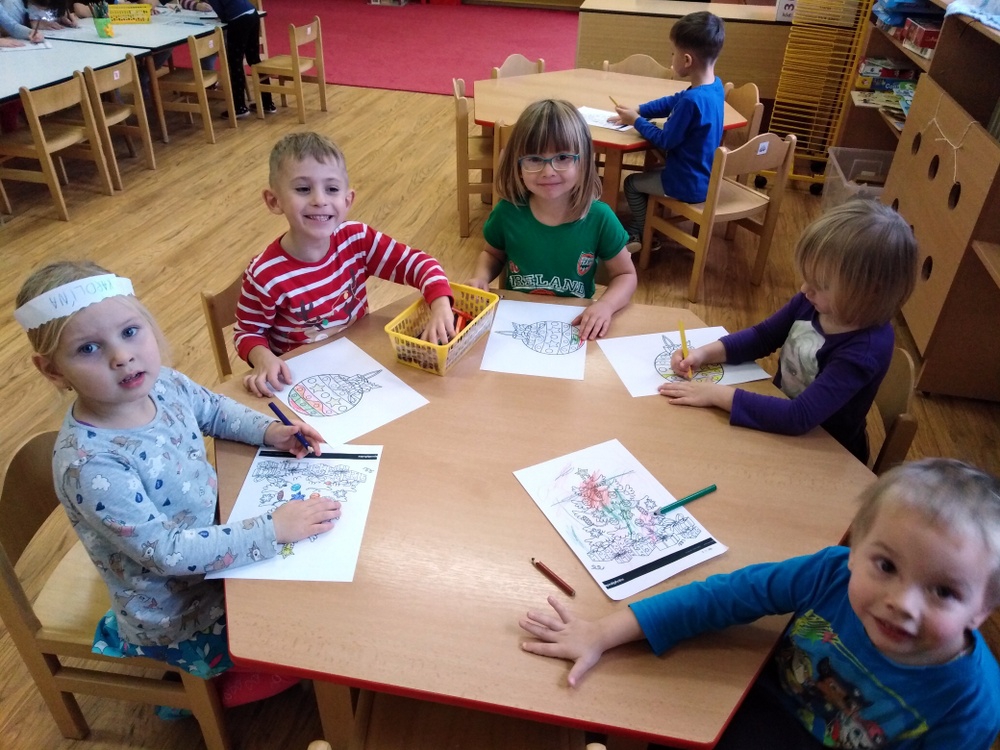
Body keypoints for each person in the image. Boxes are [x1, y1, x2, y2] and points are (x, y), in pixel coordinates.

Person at [16, 261, 343, 710]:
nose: (122, 357)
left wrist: (271, 432)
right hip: (180, 610)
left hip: (214, 546)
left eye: (130, 332)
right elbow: (167, 553)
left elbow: (214, 411)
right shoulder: (91, 466)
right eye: (89, 348)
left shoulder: (162, 385)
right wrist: (274, 529)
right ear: (52, 370)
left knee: (317, 604)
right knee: (305, 647)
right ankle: (190, 699)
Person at [520, 458, 1000, 749]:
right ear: (855, 550)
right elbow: (727, 595)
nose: (902, 603)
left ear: (982, 610)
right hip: (745, 712)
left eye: (944, 592)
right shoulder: (830, 573)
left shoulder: (973, 704)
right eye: (887, 566)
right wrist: (604, 631)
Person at [658, 199, 918, 464]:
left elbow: (799, 416)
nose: (805, 289)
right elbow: (762, 337)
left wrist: (716, 394)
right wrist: (703, 354)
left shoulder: (864, 350)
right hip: (782, 421)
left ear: (869, 292)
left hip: (826, 453)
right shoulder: (813, 302)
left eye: (820, 284)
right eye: (807, 278)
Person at [235, 131, 455, 397]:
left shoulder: (357, 239)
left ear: (347, 200)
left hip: (361, 360)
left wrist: (440, 304)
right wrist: (263, 358)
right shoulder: (263, 274)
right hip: (301, 384)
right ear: (274, 201)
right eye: (303, 189)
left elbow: (419, 264)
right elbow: (247, 332)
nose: (319, 200)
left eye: (332, 189)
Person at [467, 99, 637, 340]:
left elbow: (626, 276)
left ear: (583, 161)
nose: (548, 171)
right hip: (516, 324)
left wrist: (606, 305)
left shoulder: (600, 218)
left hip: (574, 327)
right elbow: (492, 254)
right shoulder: (507, 212)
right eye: (534, 159)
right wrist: (481, 278)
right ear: (518, 163)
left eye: (563, 157)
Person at [609, 11, 726, 242]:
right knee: (650, 173)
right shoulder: (714, 87)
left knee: (631, 184)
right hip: (702, 176)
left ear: (687, 60)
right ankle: (648, 225)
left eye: (673, 53)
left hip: (685, 183)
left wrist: (636, 121)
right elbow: (672, 101)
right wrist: (639, 110)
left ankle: (641, 234)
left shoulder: (692, 101)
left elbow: (665, 140)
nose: (671, 58)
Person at [199, 0, 274, 120]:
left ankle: (239, 107)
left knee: (235, 63)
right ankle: (267, 103)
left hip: (239, 19)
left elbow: (223, 16)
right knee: (254, 59)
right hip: (252, 13)